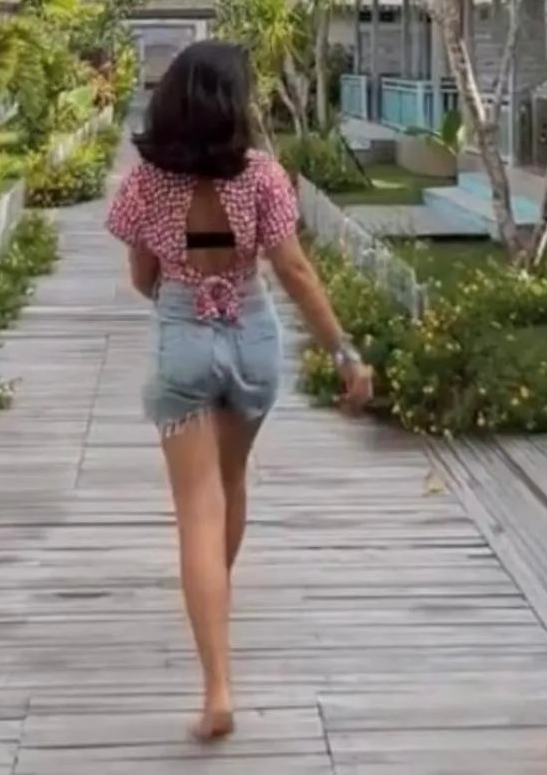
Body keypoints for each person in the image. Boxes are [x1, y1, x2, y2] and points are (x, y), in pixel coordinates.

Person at [105, 40, 374, 743]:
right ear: (234, 106)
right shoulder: (263, 177)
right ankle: (214, 592)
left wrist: (181, 299)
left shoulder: (145, 183)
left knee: (197, 508)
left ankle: (218, 686)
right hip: (253, 339)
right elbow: (296, 272)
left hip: (182, 336)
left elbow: (142, 277)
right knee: (231, 482)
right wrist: (344, 353)